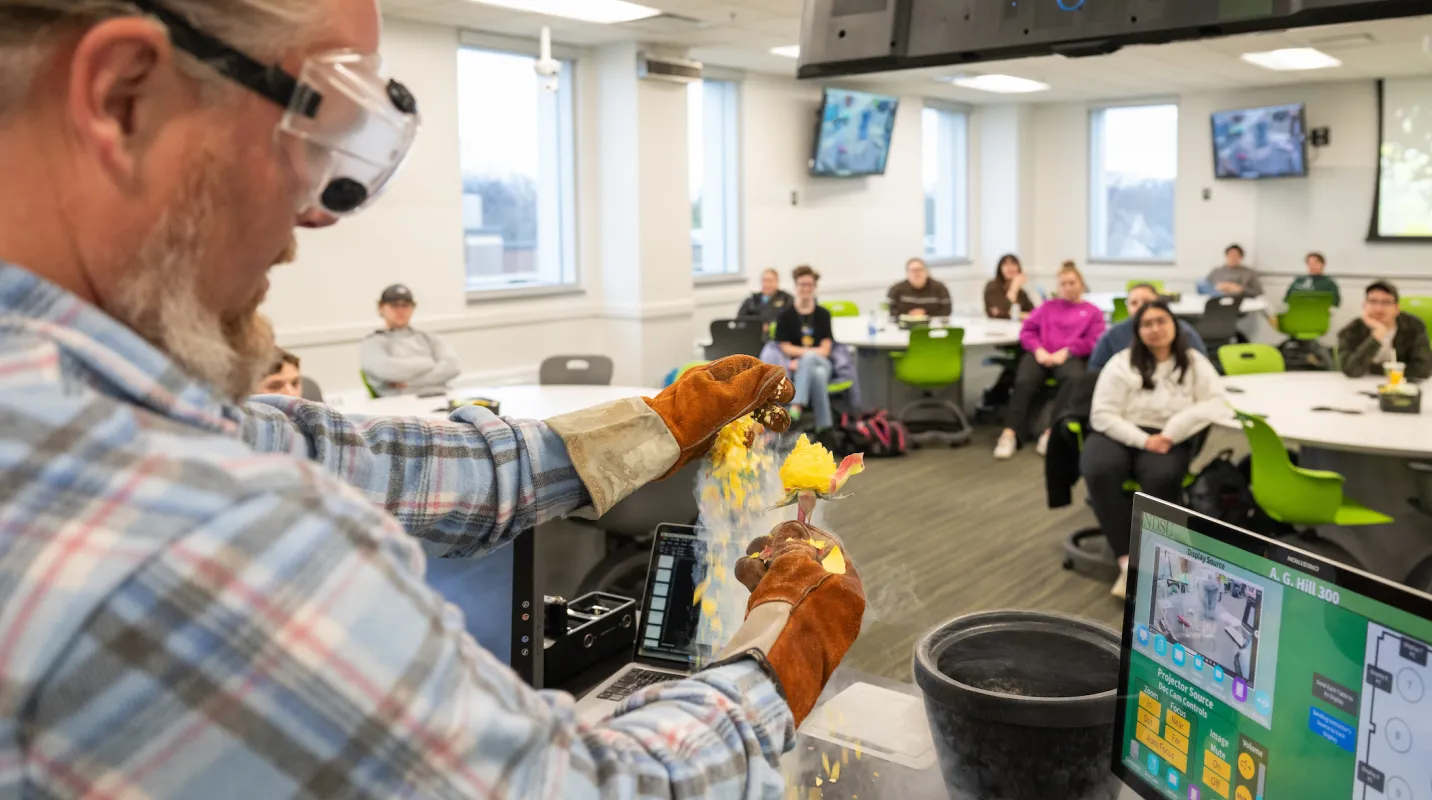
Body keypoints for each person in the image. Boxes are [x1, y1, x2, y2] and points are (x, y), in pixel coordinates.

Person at [0, 3, 862, 798]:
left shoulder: (63, 412)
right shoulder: (178, 535)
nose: (319, 212)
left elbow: (355, 459)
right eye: (321, 127)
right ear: (123, 98)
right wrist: (776, 654)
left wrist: (654, 426)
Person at [1084, 302, 1231, 597]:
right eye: (1147, 324)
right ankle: (1127, 562)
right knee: (1100, 470)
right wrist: (1143, 440)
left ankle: (1154, 557)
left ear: (1175, 325)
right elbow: (1101, 414)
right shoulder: (1121, 362)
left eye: (1161, 321)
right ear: (1138, 332)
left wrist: (1174, 428)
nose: (1155, 329)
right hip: (1120, 430)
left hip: (1167, 435)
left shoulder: (1193, 362)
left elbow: (1217, 402)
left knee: (1162, 478)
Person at [995, 263, 1106, 459]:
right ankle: (1010, 432)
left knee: (1073, 380)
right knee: (1023, 381)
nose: (1068, 287)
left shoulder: (1092, 312)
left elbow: (1093, 340)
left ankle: (1050, 432)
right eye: (1063, 283)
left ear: (1081, 284)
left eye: (1072, 283)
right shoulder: (1047, 307)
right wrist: (1037, 349)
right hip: (1041, 353)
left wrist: (1068, 351)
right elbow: (1027, 331)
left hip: (1068, 356)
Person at [359, 283, 460, 396]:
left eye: (405, 305)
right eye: (394, 305)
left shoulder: (428, 337)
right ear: (381, 308)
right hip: (396, 403)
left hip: (440, 397)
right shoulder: (372, 342)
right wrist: (429, 362)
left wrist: (410, 383)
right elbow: (385, 369)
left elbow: (453, 366)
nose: (400, 310)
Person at [1088, 282, 1208, 371]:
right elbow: (1096, 368)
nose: (1140, 307)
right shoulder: (1113, 335)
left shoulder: (1183, 331)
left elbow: (1202, 365)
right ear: (1127, 307)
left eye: (1146, 302)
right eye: (1134, 303)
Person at [1336, 280, 1432, 380]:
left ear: (1397, 308)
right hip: (1361, 384)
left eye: (1386, 302)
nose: (1379, 308)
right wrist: (1377, 336)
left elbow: (1422, 370)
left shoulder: (1413, 327)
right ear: (1364, 306)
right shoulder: (1351, 330)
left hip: (1401, 385)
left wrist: (1374, 369)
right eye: (1373, 301)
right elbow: (1350, 370)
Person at [776, 265, 836, 429]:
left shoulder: (823, 314)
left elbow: (825, 350)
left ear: (814, 287)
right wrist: (806, 359)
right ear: (796, 286)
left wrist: (803, 359)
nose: (806, 288)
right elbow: (784, 347)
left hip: (821, 362)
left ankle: (796, 405)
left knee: (812, 362)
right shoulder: (785, 315)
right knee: (818, 375)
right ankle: (825, 428)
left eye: (809, 284)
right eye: (802, 284)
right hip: (802, 367)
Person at [886, 257, 952, 319]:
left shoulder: (940, 288)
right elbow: (890, 310)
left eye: (919, 269)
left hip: (932, 325)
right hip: (904, 325)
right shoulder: (896, 289)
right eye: (913, 270)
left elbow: (947, 311)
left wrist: (926, 315)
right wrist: (908, 315)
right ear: (907, 273)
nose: (917, 273)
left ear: (926, 271)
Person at [983, 253, 1035, 320]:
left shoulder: (1021, 292)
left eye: (1013, 264)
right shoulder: (992, 286)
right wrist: (1014, 287)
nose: (1010, 268)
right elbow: (1003, 309)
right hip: (997, 326)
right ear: (1000, 268)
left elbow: (1033, 312)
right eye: (1006, 264)